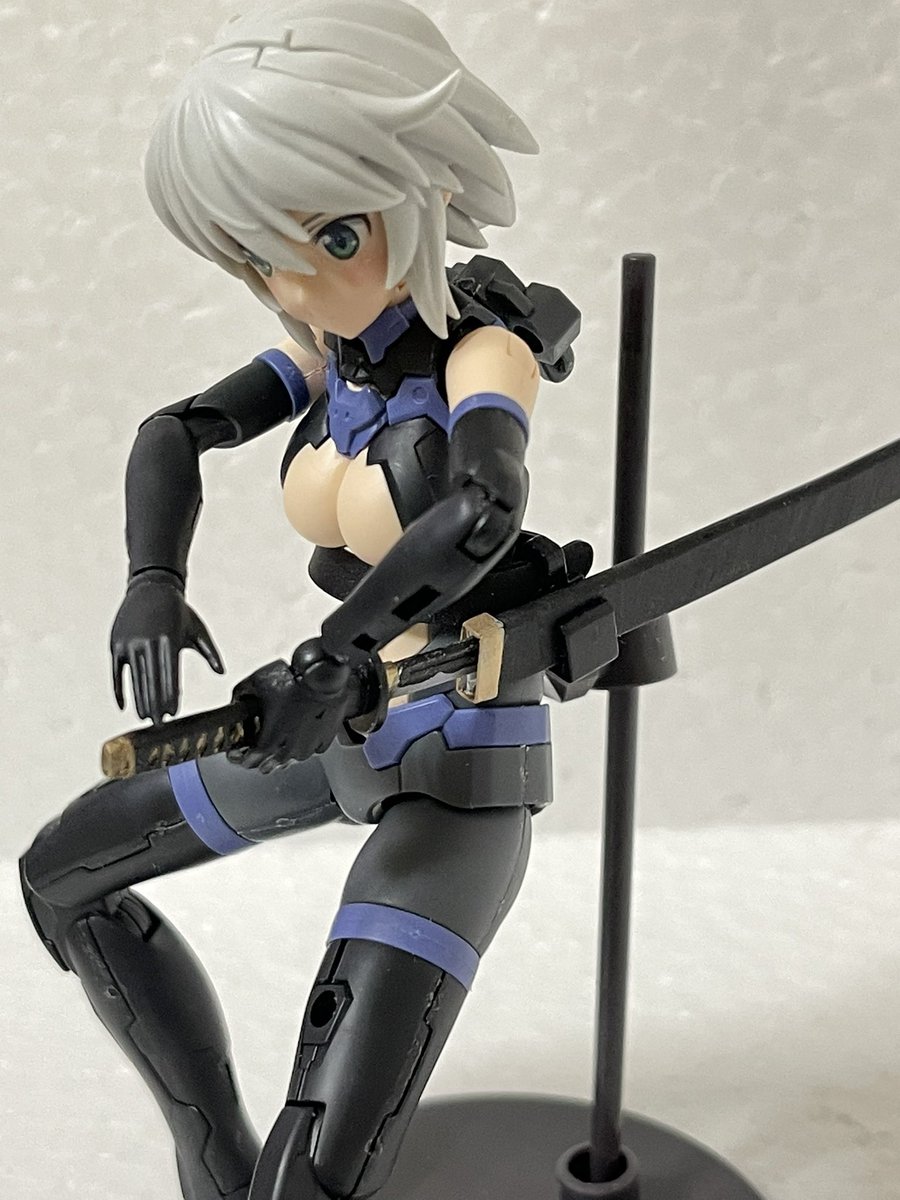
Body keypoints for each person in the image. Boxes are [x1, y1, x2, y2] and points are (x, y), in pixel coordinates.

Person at [19, 3, 578, 1197]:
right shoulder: (331, 356)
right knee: (63, 876)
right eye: (264, 252)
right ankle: (212, 1162)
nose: (301, 280)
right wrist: (153, 582)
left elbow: (482, 510)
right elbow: (174, 430)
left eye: (335, 235)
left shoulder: (480, 356)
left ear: (418, 193)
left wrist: (335, 654)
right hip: (331, 732)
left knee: (315, 1169)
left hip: (459, 768)